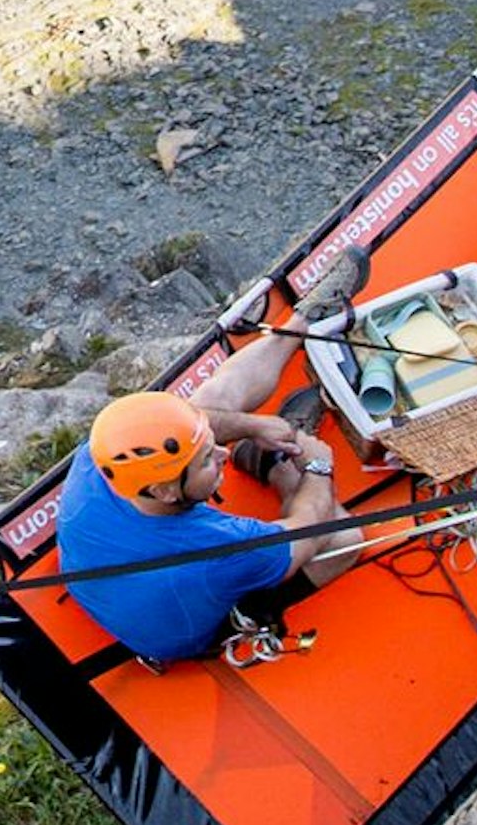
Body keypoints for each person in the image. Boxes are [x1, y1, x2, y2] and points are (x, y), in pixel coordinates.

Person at [54, 256, 369, 663]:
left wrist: (253, 426)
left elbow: (199, 421)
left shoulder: (101, 455)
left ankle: (301, 324)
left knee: (200, 407)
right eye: (207, 460)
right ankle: (276, 466)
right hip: (181, 635)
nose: (221, 453)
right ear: (166, 489)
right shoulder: (220, 548)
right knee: (343, 538)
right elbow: (307, 529)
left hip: (116, 570)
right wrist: (319, 464)